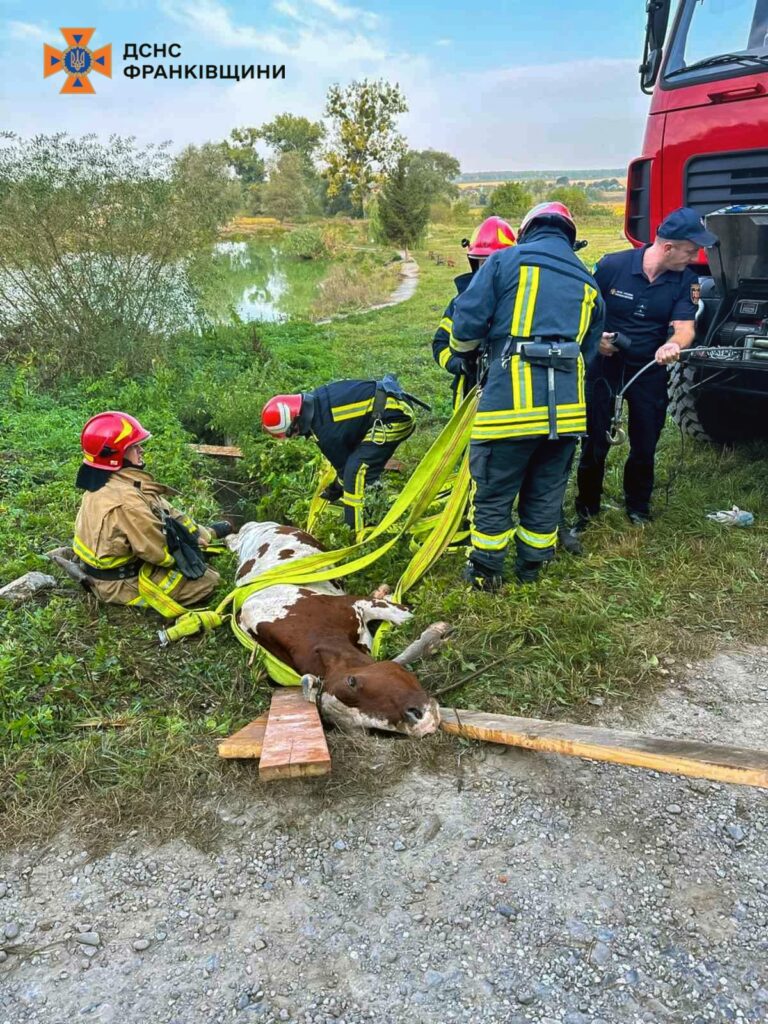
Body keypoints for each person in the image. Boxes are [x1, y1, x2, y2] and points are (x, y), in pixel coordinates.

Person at [449, 201, 605, 589]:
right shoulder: (588, 282)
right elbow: (588, 352)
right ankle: (532, 568)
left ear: (527, 230)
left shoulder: (505, 263)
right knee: (547, 491)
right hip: (567, 416)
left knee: (494, 492)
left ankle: (486, 573)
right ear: (569, 236)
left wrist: (466, 356)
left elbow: (466, 324)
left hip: (508, 412)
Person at [572, 207, 717, 531]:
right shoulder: (612, 266)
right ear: (668, 247)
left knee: (645, 442)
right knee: (594, 442)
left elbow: (685, 327)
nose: (696, 255)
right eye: (691, 249)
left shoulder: (687, 281)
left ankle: (637, 507)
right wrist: (595, 341)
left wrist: (673, 346)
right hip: (605, 367)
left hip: (649, 369)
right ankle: (586, 509)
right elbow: (584, 310)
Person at [73, 412, 229, 615]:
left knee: (196, 546)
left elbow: (165, 509)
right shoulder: (126, 502)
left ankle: (209, 533)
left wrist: (198, 534)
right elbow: (159, 552)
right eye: (134, 446)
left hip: (110, 566)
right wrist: (191, 552)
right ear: (115, 454)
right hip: (118, 583)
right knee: (209, 581)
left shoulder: (111, 480)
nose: (141, 449)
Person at [261, 376, 425, 537]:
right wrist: (337, 486)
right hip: (392, 406)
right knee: (359, 466)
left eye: (292, 432)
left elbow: (345, 470)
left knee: (357, 471)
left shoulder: (325, 432)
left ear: (296, 421)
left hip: (396, 417)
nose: (296, 435)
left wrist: (336, 489)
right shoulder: (319, 401)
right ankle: (376, 510)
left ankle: (357, 534)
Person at [432, 216, 516, 410]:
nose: (488, 271)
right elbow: (440, 344)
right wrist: (460, 364)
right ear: (473, 264)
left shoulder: (521, 301)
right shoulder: (460, 304)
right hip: (469, 395)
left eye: (495, 263)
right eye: (482, 263)